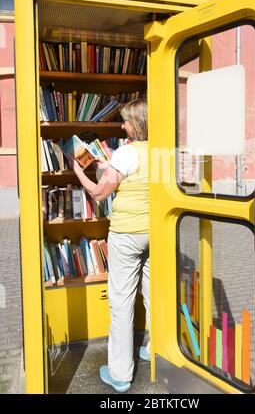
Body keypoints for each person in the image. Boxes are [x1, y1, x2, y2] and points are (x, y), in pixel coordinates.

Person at [72, 98, 150, 393]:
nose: (122, 125)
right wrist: (109, 165)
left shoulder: (126, 152)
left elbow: (99, 193)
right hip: (155, 231)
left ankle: (119, 374)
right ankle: (154, 350)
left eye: (126, 120)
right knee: (153, 294)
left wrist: (78, 170)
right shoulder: (157, 150)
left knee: (121, 302)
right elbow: (134, 173)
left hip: (128, 234)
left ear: (137, 124)